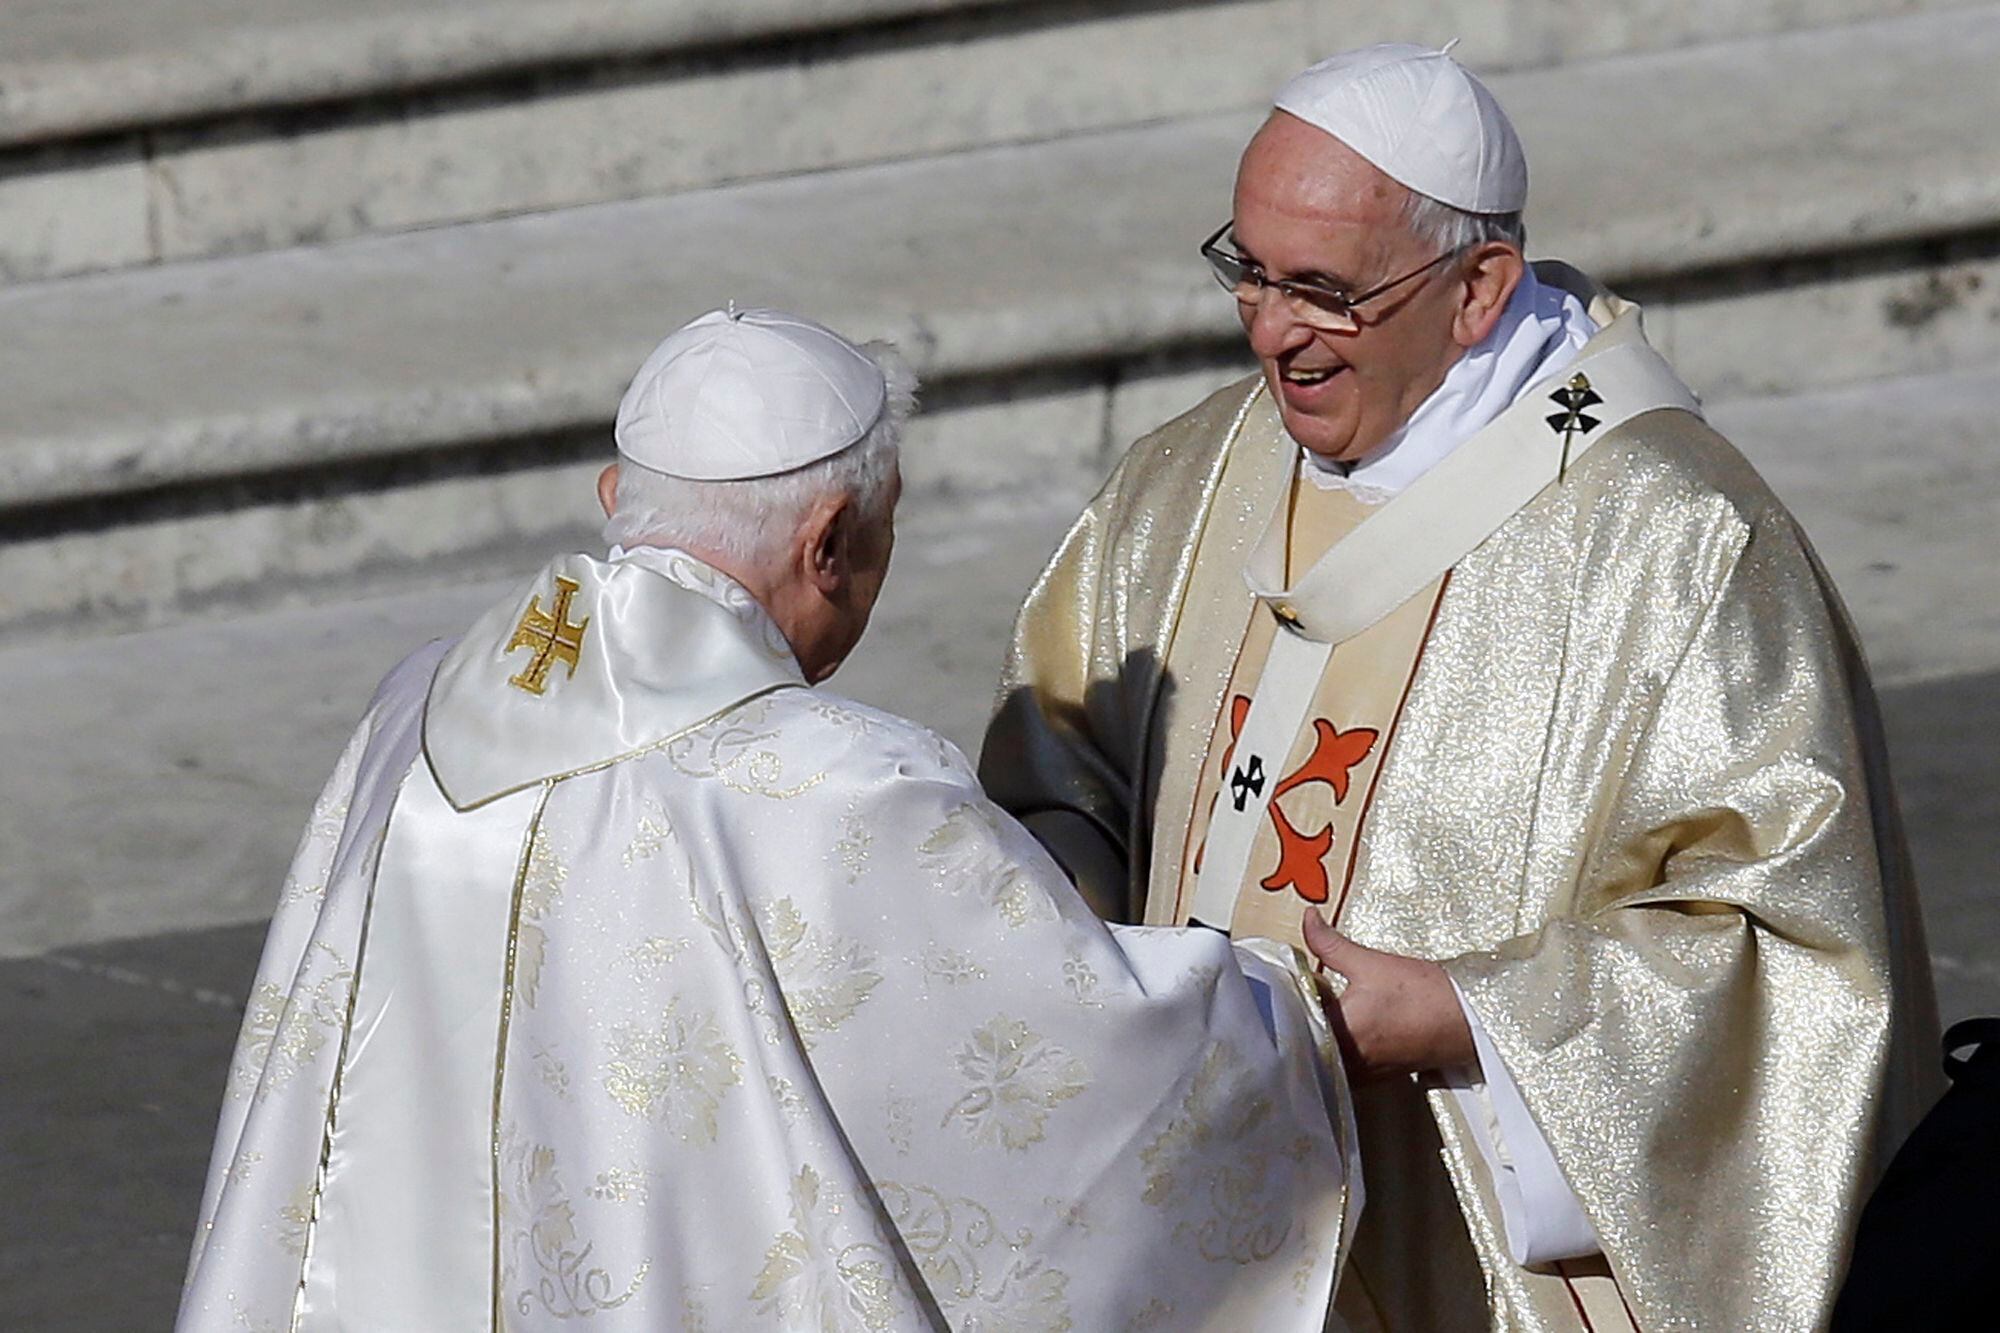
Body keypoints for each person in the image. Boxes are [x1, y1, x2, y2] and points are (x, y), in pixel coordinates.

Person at [981, 43, 1940, 1331]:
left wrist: (1465, 1014)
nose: (1272, 332)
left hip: (1481, 1243)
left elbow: (1794, 953)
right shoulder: (1182, 485)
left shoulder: (1672, 539)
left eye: (1322, 291)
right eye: (1248, 272)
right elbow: (1053, 780)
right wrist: (1082, 951)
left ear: (1478, 288)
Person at [177, 308, 1360, 1332]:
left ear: (613, 499)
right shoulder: (840, 787)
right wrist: (1293, 1016)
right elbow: (1073, 1078)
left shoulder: (413, 709)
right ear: (828, 539)